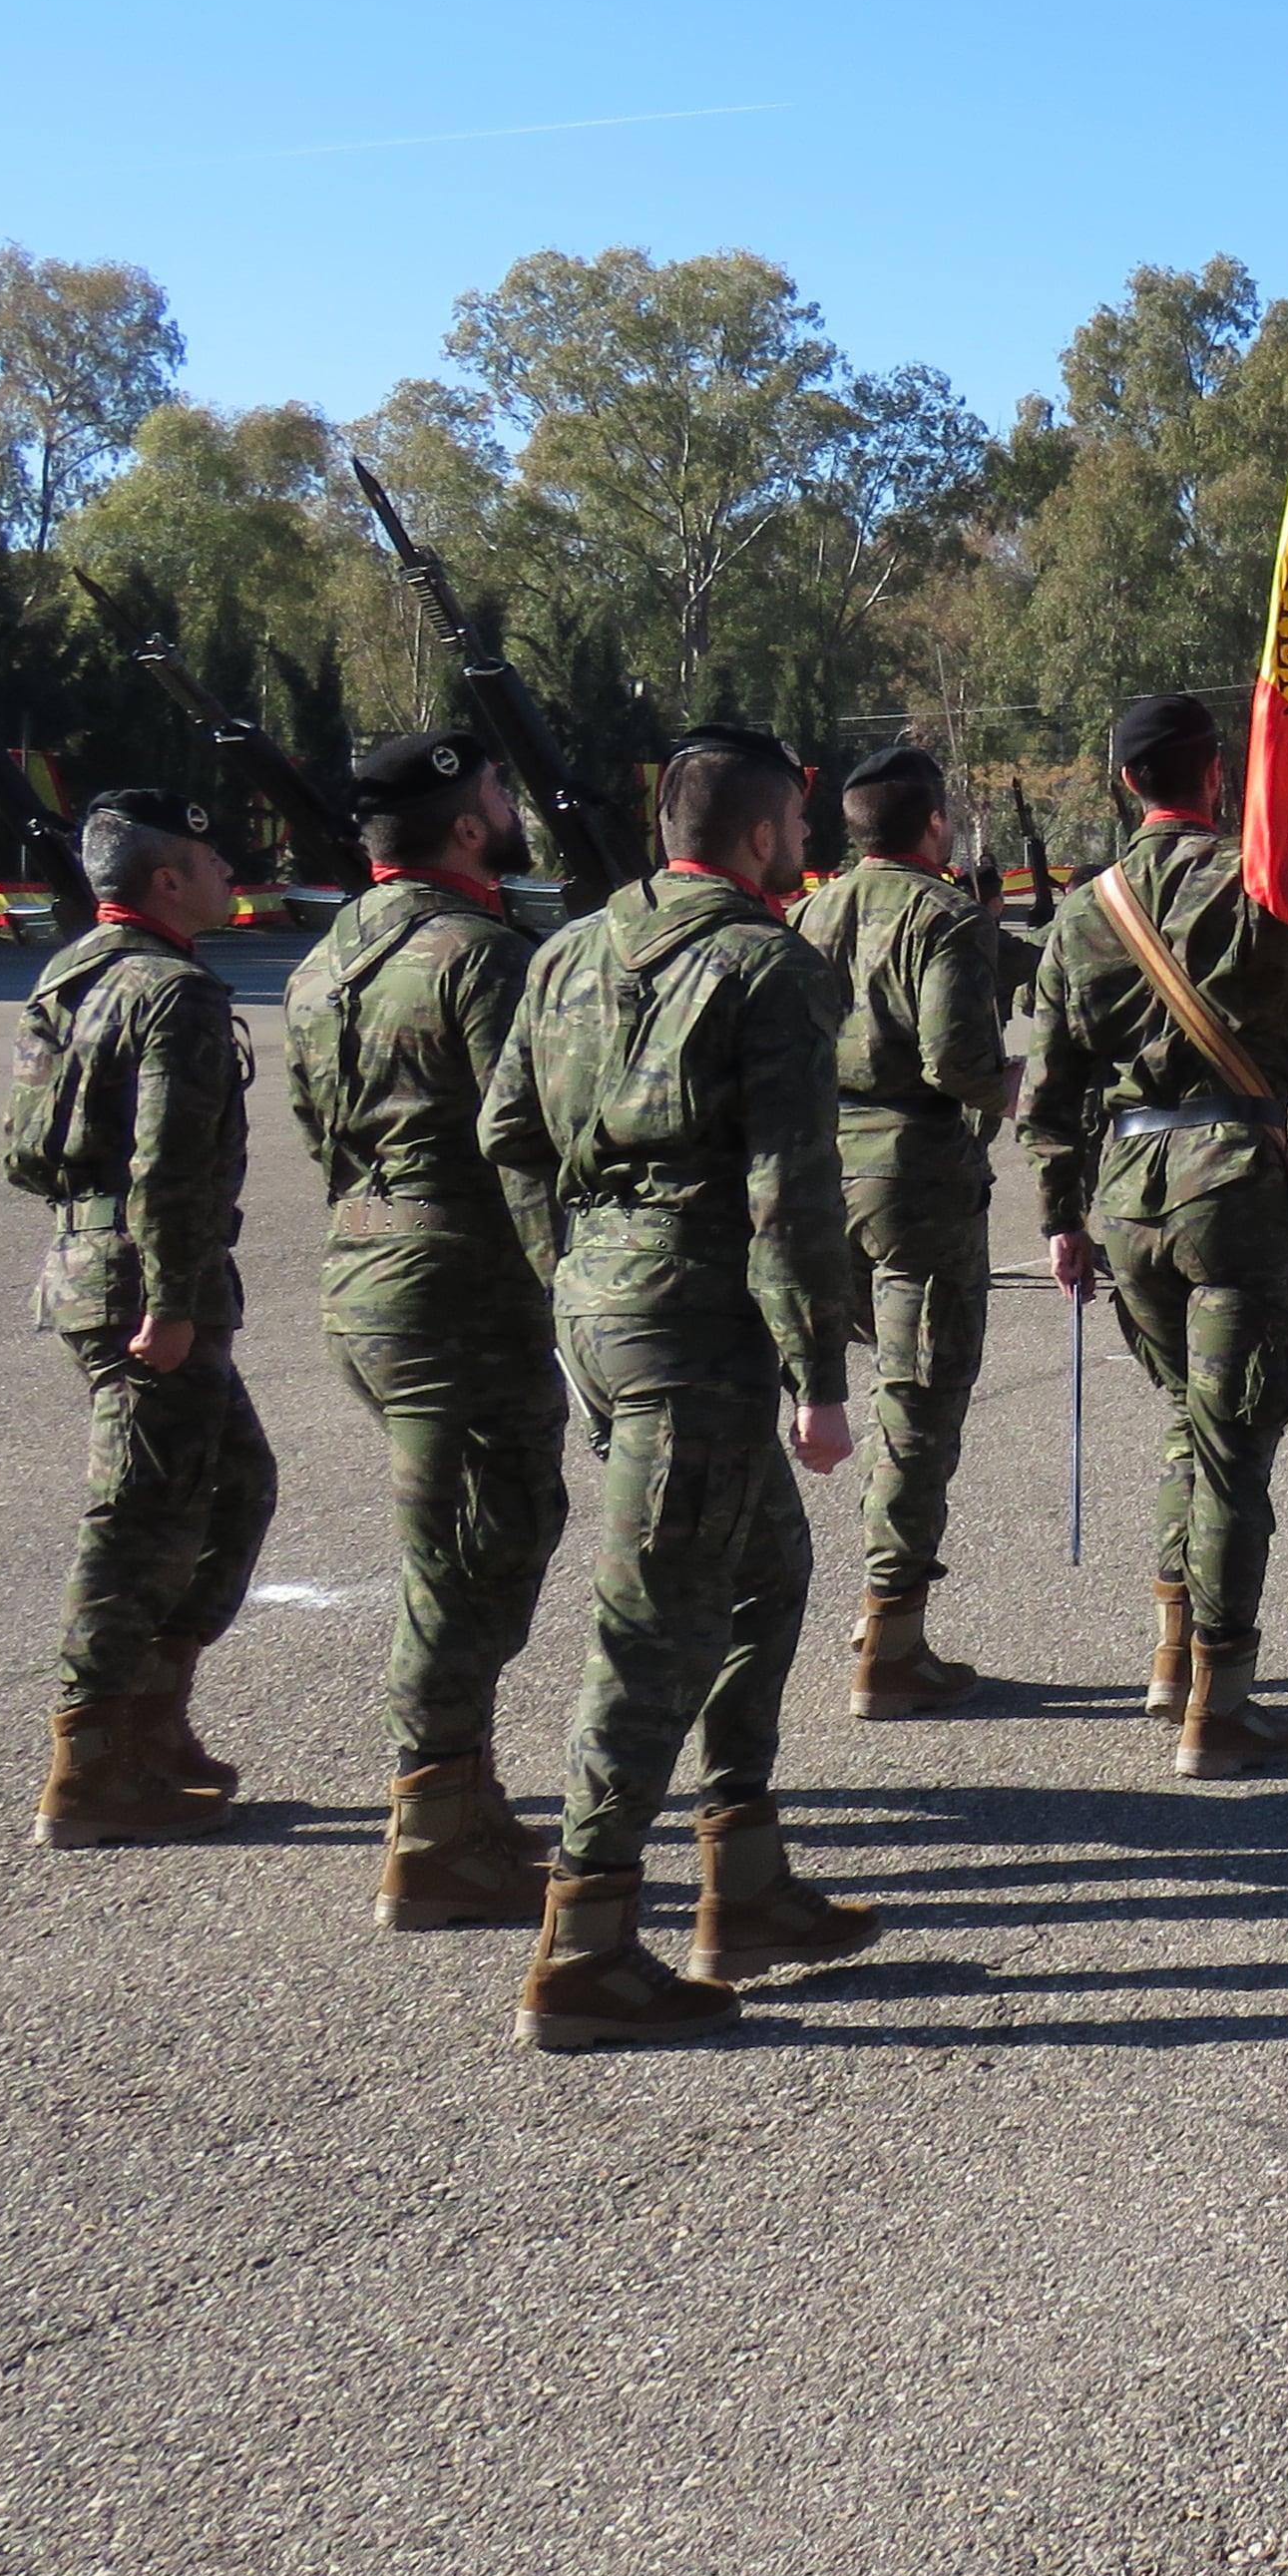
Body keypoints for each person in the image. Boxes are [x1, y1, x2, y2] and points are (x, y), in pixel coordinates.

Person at [482, 726, 884, 2048]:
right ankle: (583, 1946)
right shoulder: (769, 963)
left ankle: (745, 1882)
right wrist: (819, 1375)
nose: (805, 850)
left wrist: (572, 1273)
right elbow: (791, 1188)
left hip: (606, 1311)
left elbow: (507, 1136)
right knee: (653, 1628)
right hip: (694, 1331)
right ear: (765, 836)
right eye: (795, 831)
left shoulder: (565, 949)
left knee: (767, 1571)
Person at [282, 732, 565, 1925]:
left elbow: (316, 1127)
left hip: (366, 1272)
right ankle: (434, 1828)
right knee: (470, 1553)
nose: (510, 802)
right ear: (463, 825)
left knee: (477, 1533)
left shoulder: (322, 959)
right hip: (464, 1290)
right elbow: (532, 1136)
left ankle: (461, 1791)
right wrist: (577, 1285)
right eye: (499, 788)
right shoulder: (484, 958)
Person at [1025, 692, 1288, 1781]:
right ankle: (1220, 1705)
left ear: (1122, 784)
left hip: (1130, 1188)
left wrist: (1060, 1218)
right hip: (1233, 1184)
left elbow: (1050, 1085)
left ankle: (1167, 1658)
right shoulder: (1257, 882)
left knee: (1186, 1424)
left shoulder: (1081, 910)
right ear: (1214, 775)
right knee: (1235, 1448)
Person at [5, 787, 273, 1852]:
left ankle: (152, 1721)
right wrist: (167, 1298)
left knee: (234, 1483)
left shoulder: (68, 975)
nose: (230, 880)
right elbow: (167, 1165)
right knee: (137, 1519)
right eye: (214, 864)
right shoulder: (175, 995)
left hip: (86, 1260)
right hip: (148, 1283)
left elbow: (26, 1151)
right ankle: (89, 1763)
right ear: (169, 879)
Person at [791, 743, 1017, 1721]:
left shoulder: (807, 912)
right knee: (918, 1407)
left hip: (815, 1171)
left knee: (843, 1384)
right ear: (933, 827)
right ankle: (892, 1637)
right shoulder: (942, 918)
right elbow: (959, 1061)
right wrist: (1022, 1087)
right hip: (913, 1181)